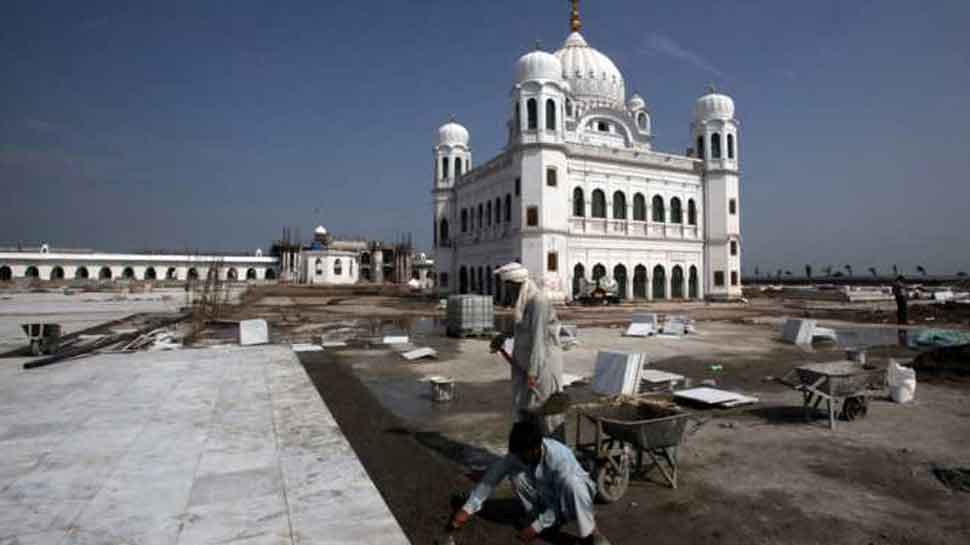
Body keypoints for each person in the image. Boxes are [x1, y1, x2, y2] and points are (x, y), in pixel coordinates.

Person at [451, 420, 609, 544]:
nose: (517, 458)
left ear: (535, 449)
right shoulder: (520, 453)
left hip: (573, 495)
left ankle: (592, 533)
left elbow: (559, 500)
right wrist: (468, 508)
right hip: (548, 493)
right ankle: (543, 520)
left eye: (521, 454)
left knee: (571, 484)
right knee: (516, 476)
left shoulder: (559, 458)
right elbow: (491, 479)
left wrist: (536, 527)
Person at [493, 262, 564, 437]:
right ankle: (532, 456)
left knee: (547, 414)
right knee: (526, 411)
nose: (507, 292)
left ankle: (556, 456)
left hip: (543, 366)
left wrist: (533, 374)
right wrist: (503, 335)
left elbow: (538, 339)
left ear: (515, 284)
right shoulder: (524, 300)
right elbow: (520, 324)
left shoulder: (538, 301)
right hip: (527, 364)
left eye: (508, 287)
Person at [892, 275, 909, 345]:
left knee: (900, 310)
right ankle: (903, 322)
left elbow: (894, 291)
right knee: (903, 311)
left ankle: (901, 322)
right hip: (901, 298)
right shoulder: (899, 284)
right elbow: (902, 291)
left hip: (899, 298)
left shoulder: (895, 284)